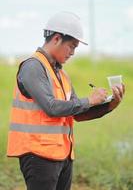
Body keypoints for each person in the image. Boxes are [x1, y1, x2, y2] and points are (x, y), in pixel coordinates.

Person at [7, 11, 125, 190]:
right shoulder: (33, 66)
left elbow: (77, 114)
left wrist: (111, 104)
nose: (73, 53)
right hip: (38, 155)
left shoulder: (61, 73)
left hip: (62, 154)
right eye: (72, 46)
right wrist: (90, 100)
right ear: (56, 38)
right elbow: (51, 107)